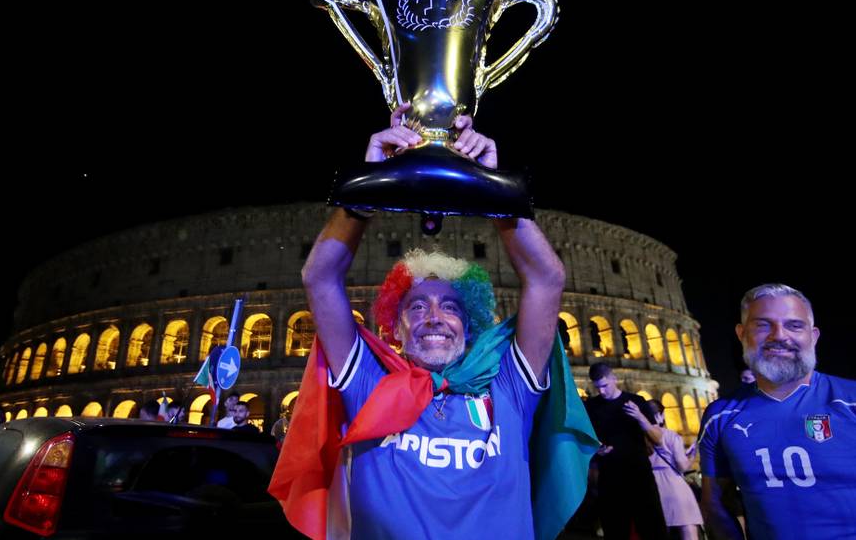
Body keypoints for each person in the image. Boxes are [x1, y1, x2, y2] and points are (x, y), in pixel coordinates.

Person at [269, 105, 598, 540]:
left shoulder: (507, 387)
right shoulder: (368, 384)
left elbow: (547, 278)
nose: (435, 318)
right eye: (417, 307)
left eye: (451, 307)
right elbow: (319, 277)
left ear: (471, 323)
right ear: (396, 327)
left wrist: (494, 191)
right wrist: (365, 188)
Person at [699, 283, 856, 539]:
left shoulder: (851, 400)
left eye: (794, 325)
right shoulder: (720, 416)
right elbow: (715, 505)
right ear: (741, 334)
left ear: (813, 336)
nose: (779, 335)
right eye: (762, 324)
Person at [584, 362, 669, 540]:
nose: (602, 391)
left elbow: (658, 438)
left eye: (605, 386)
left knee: (652, 528)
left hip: (639, 475)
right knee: (615, 530)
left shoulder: (636, 402)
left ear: (614, 378)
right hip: (609, 477)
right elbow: (586, 439)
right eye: (597, 387)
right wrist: (597, 449)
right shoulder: (591, 407)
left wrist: (639, 417)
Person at [641, 399, 703, 539]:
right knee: (688, 528)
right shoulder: (670, 435)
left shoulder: (638, 438)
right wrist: (691, 457)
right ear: (660, 415)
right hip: (673, 484)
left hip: (651, 486)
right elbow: (682, 466)